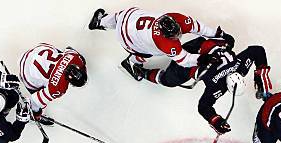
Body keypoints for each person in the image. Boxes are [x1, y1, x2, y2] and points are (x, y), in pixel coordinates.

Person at [88, 7, 234, 87]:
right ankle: (132, 63)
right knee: (147, 52)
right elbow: (184, 60)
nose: (178, 36)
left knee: (122, 16)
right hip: (127, 38)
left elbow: (198, 27)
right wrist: (202, 59)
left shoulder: (176, 17)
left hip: (129, 16)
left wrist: (218, 34)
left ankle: (100, 22)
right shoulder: (163, 42)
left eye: (178, 31)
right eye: (174, 36)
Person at [18, 43, 87, 125]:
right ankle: (34, 114)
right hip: (26, 72)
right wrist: (36, 114)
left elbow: (68, 48)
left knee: (60, 54)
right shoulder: (59, 88)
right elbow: (33, 101)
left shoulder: (75, 58)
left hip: (36, 51)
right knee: (39, 100)